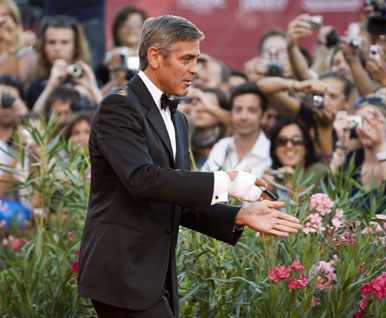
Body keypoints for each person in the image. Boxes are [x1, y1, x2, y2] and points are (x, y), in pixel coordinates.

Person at [78, 15, 301, 318]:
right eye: (186, 59)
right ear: (155, 57)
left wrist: (240, 214)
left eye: (196, 59)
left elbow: (175, 199)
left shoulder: (179, 120)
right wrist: (226, 182)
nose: (195, 69)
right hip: (121, 272)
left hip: (153, 275)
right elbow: (141, 179)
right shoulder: (118, 106)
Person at [330, 94, 386, 202]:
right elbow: (329, 191)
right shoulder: (352, 158)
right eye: (360, 122)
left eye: (373, 121)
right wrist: (341, 144)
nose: (365, 128)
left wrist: (381, 144)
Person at [202, 82, 272, 177]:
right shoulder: (222, 146)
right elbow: (205, 181)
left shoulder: (272, 152)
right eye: (238, 109)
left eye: (252, 110)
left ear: (264, 116)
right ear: (231, 114)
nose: (243, 117)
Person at [264, 117, 327, 196]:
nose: (289, 146)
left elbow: (320, 206)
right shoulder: (273, 177)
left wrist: (293, 185)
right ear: (274, 149)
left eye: (297, 140)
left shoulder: (319, 172)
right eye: (282, 141)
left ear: (306, 146)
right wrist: (265, 192)